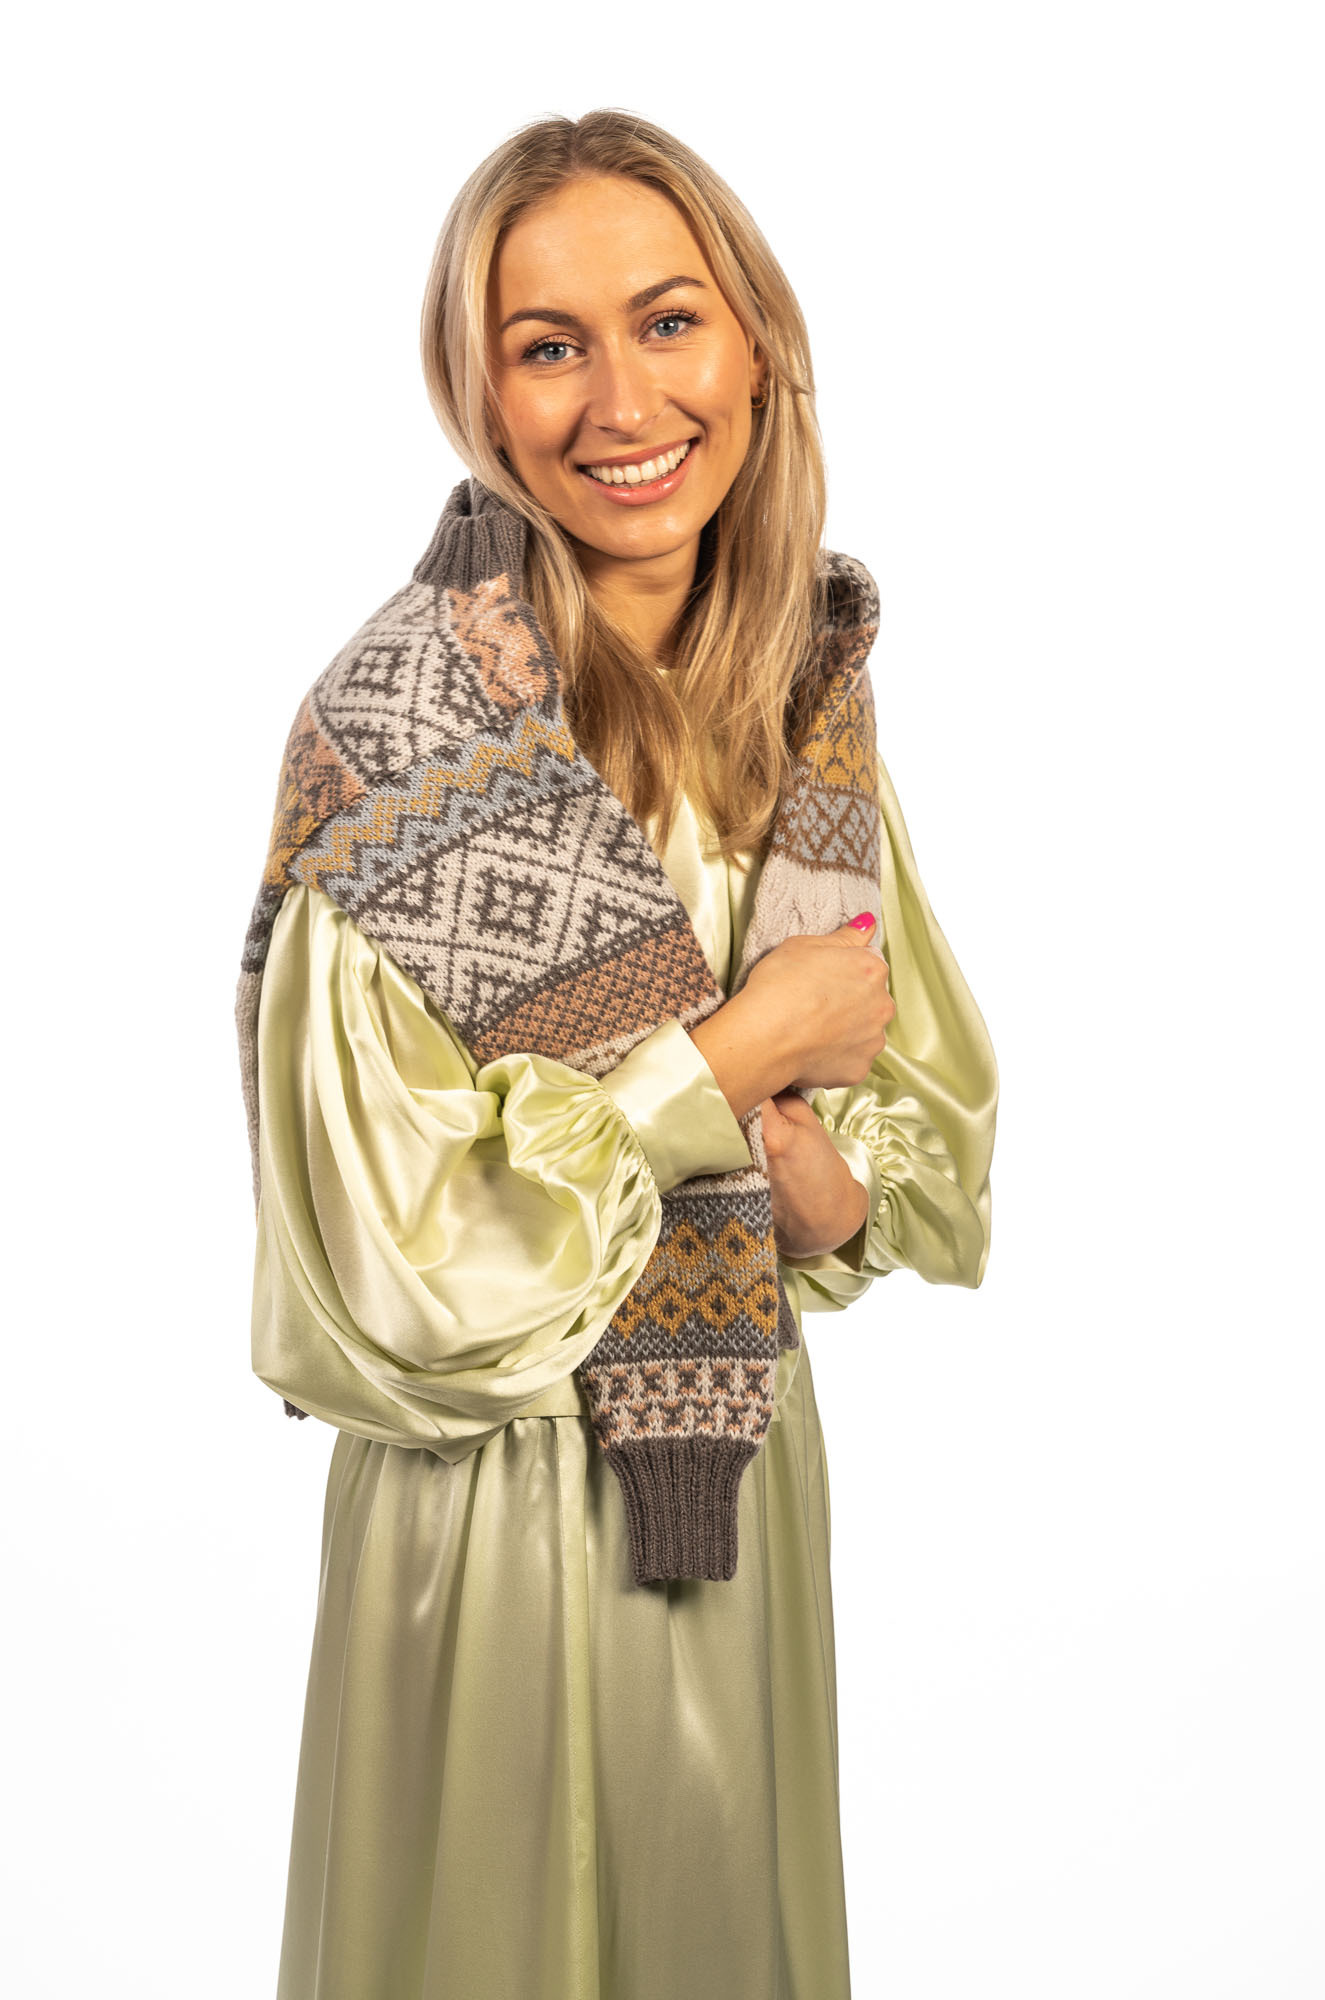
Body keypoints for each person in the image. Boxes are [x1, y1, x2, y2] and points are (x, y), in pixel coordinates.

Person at [238, 109, 998, 2000]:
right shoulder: (402, 745)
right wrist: (731, 1060)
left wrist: (814, 1176)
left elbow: (888, 1149)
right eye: (545, 345)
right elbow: (399, 1280)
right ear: (476, 393)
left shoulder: (802, 713)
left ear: (756, 344)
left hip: (741, 1479)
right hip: (485, 1512)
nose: (620, 400)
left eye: (667, 321)